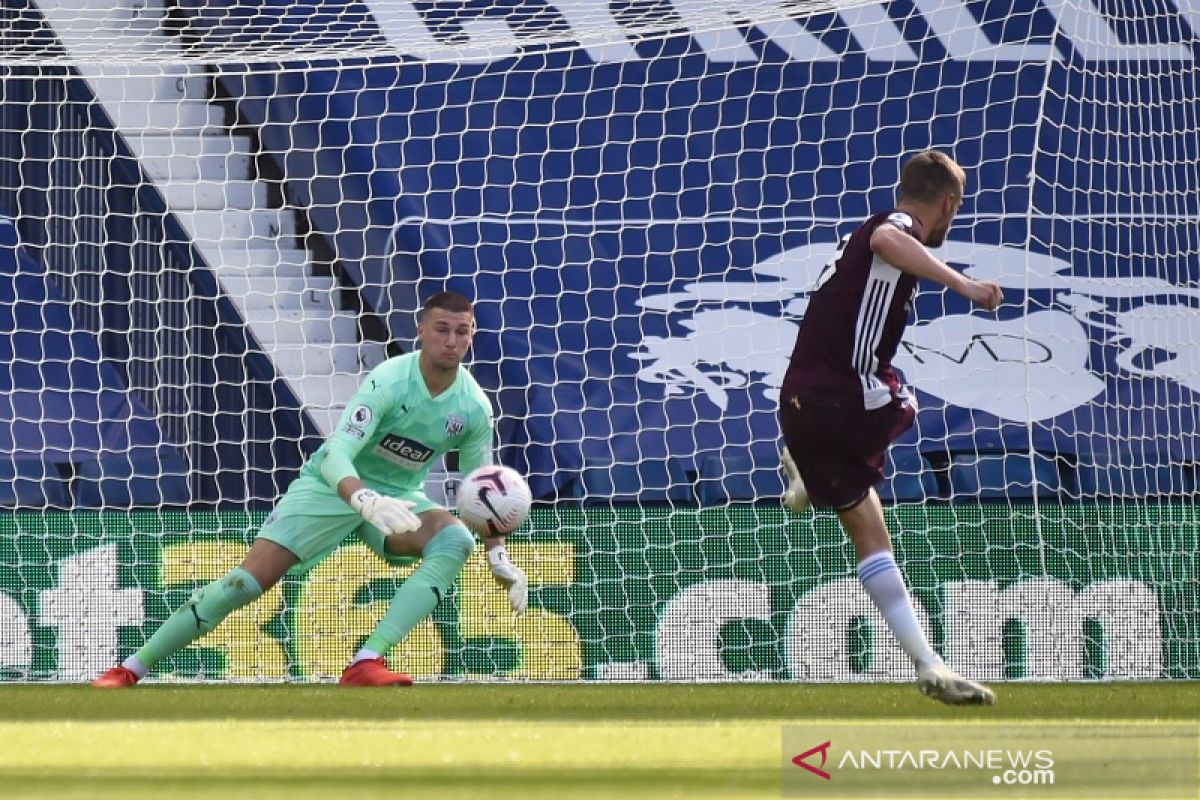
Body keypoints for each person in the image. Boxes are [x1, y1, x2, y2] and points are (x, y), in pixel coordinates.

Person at [92, 291, 528, 687]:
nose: (452, 341)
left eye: (462, 332)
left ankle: (366, 662)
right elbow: (337, 451)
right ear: (421, 331)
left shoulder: (472, 407)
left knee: (453, 539)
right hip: (330, 487)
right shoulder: (389, 380)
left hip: (397, 500)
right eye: (442, 329)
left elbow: (481, 494)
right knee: (245, 584)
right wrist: (361, 498)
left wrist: (497, 552)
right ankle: (131, 668)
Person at [778, 149, 1002, 705]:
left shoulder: (863, 232)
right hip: (841, 394)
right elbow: (888, 239)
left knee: (871, 535)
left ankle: (929, 666)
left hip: (803, 401)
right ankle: (806, 469)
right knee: (903, 400)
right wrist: (964, 285)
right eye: (958, 207)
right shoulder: (893, 225)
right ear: (947, 203)